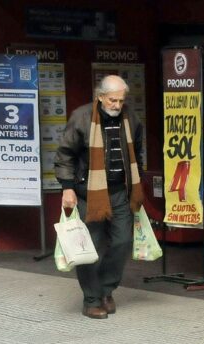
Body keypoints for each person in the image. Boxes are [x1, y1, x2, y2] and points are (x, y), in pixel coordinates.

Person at [54, 75, 144, 319]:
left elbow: (137, 149)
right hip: (89, 194)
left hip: (120, 193)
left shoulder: (129, 117)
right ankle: (92, 299)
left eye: (120, 100)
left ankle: (106, 290)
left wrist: (137, 181)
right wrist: (68, 187)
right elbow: (65, 154)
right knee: (89, 249)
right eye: (112, 100)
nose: (117, 105)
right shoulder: (81, 117)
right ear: (100, 97)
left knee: (122, 242)